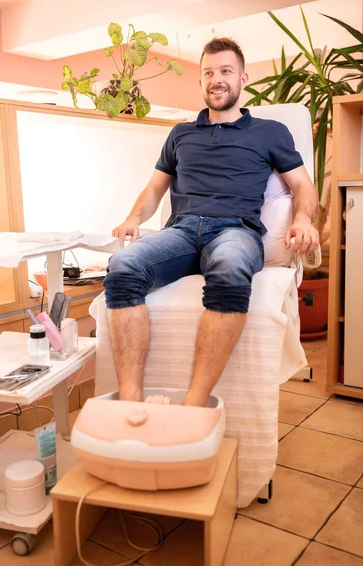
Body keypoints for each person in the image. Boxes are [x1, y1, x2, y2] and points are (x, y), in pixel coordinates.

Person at [103, 37, 319, 407]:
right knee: (122, 267)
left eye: (225, 71)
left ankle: (194, 402)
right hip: (182, 231)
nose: (216, 79)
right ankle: (130, 398)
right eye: (208, 72)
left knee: (231, 270)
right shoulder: (180, 134)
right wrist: (132, 219)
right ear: (200, 81)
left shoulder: (269, 132)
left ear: (243, 78)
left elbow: (303, 185)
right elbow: (154, 190)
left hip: (236, 230)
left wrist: (304, 219)